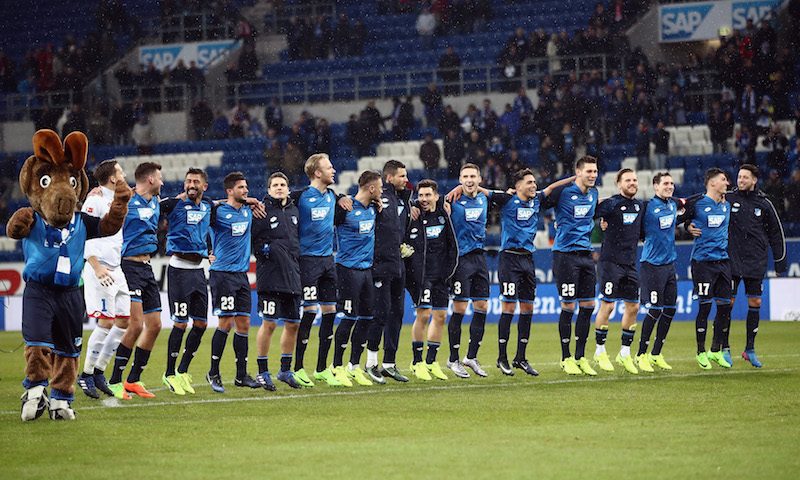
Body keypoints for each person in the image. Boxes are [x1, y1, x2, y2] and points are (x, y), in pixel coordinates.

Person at [488, 169, 571, 376]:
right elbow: (484, 192)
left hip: (528, 259)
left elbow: (552, 187)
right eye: (529, 182)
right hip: (509, 258)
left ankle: (520, 357)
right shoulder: (507, 200)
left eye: (535, 182)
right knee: (508, 307)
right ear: (518, 186)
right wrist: (461, 187)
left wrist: (576, 178)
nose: (534, 185)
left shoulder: (536, 201)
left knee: (527, 308)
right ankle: (502, 358)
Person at [291, 153, 350, 387]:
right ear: (317, 173)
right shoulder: (300, 197)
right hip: (307, 262)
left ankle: (321, 368)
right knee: (309, 312)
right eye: (329, 167)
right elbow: (274, 202)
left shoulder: (332, 196)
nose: (333, 170)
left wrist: (344, 196)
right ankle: (296, 368)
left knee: (329, 313)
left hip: (328, 261)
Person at [109, 162, 164, 398]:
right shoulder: (126, 200)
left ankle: (134, 380)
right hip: (128, 266)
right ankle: (113, 380)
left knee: (155, 325)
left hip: (147, 267)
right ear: (150, 179)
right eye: (159, 178)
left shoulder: (156, 202)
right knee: (136, 324)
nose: (162, 182)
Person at [77, 160, 131, 399]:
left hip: (117, 269)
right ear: (111, 178)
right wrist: (96, 267)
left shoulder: (117, 200)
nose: (124, 174)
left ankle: (99, 371)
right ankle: (86, 374)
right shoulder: (95, 201)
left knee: (123, 322)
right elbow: (84, 235)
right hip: (100, 268)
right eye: (120, 171)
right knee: (106, 323)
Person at [722, 164, 786, 367]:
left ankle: (750, 349)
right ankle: (724, 348)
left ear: (754, 180)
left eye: (745, 177)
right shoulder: (728, 198)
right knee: (727, 304)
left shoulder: (765, 203)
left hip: (755, 262)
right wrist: (690, 225)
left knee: (755, 303)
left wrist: (779, 263)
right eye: (739, 177)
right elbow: (706, 211)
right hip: (731, 261)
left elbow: (776, 233)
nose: (740, 180)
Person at [542, 156, 600, 376]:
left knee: (588, 306)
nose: (593, 175)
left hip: (586, 256)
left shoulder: (594, 194)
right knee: (569, 307)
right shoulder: (563, 193)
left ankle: (580, 357)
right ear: (578, 172)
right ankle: (566, 358)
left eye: (595, 171)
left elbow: (594, 215)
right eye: (588, 172)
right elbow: (540, 198)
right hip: (565, 256)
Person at [159, 168, 213, 395]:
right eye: (188, 181)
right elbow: (149, 204)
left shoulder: (209, 206)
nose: (191, 185)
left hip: (199, 272)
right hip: (179, 271)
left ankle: (182, 370)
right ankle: (169, 374)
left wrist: (250, 201)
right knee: (180, 323)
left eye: (196, 182)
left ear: (204, 186)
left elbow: (228, 203)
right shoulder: (172, 205)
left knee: (200, 324)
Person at [206, 171, 261, 393]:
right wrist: (207, 251)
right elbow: (201, 211)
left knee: (244, 325)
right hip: (222, 274)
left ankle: (241, 375)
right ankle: (213, 372)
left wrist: (249, 200)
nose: (246, 190)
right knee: (225, 324)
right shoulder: (217, 211)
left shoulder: (248, 211)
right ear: (229, 191)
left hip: (241, 275)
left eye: (246, 187)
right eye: (240, 188)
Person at [330, 170, 383, 386]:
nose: (381, 191)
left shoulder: (373, 208)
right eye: (379, 187)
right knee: (348, 318)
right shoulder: (345, 208)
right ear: (371, 188)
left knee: (366, 318)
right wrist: (339, 197)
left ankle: (353, 366)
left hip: (366, 271)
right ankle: (337, 367)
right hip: (347, 271)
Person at [251, 172, 303, 390]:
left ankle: (285, 370)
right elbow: (253, 241)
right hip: (270, 276)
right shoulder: (261, 211)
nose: (279, 188)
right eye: (275, 185)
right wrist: (268, 251)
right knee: (269, 323)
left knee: (293, 324)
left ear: (288, 189)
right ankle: (263, 371)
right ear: (269, 189)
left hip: (292, 276)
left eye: (283, 184)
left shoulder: (294, 210)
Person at [680, 168, 733, 370]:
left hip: (723, 262)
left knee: (725, 307)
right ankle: (701, 351)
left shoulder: (727, 205)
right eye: (723, 180)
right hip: (703, 262)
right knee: (705, 306)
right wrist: (687, 227)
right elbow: (680, 219)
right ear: (712, 183)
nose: (727, 183)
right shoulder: (698, 203)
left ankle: (715, 350)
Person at [365, 160, 413, 384]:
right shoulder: (379, 200)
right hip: (380, 265)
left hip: (397, 264)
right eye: (402, 176)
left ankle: (389, 363)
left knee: (397, 312)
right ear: (389, 178)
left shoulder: (402, 199)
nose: (406, 179)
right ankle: (370, 362)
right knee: (381, 312)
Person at [592, 169, 644, 375]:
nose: (632, 183)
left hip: (630, 264)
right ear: (618, 184)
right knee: (608, 306)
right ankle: (600, 350)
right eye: (628, 180)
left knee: (633, 307)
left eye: (634, 180)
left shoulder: (640, 206)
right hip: (610, 263)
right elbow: (590, 211)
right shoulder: (611, 204)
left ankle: (624, 353)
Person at [405, 179, 458, 381]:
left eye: (428, 195)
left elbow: (452, 246)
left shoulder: (445, 214)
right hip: (422, 276)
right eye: (421, 195)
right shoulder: (414, 214)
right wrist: (411, 205)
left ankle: (431, 361)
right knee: (424, 315)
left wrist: (448, 274)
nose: (424, 199)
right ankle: (417, 362)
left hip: (440, 277)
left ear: (436, 196)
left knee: (441, 317)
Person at [635, 172, 680, 371]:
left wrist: (692, 224)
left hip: (669, 265)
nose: (669, 186)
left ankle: (656, 354)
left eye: (671, 183)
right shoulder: (647, 207)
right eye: (665, 183)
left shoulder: (673, 205)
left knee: (669, 310)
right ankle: (640, 355)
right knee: (655, 310)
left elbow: (687, 211)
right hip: (651, 265)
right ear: (655, 186)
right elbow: (630, 224)